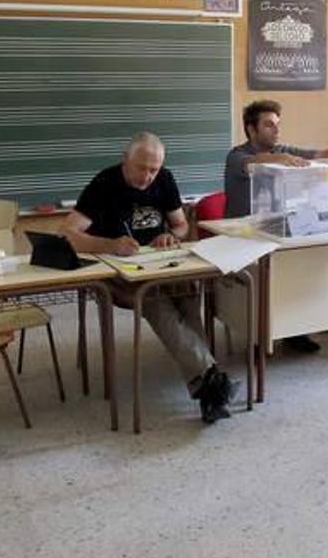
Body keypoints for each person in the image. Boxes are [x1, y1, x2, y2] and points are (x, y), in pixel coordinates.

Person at [62, 132, 238, 424]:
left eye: (154, 169)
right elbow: (67, 234)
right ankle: (211, 379)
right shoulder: (105, 183)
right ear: (125, 161)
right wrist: (109, 244)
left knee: (189, 293)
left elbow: (181, 225)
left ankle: (206, 381)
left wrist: (170, 236)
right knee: (156, 299)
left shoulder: (164, 179)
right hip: (122, 272)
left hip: (162, 263)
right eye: (141, 168)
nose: (148, 176)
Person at [223, 99, 328, 353]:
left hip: (274, 229)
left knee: (301, 264)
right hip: (243, 234)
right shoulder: (237, 155)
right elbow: (255, 163)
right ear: (251, 129)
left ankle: (294, 328)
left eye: (277, 125)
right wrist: (281, 158)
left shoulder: (282, 149)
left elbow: (320, 154)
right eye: (269, 125)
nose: (276, 130)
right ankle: (262, 332)